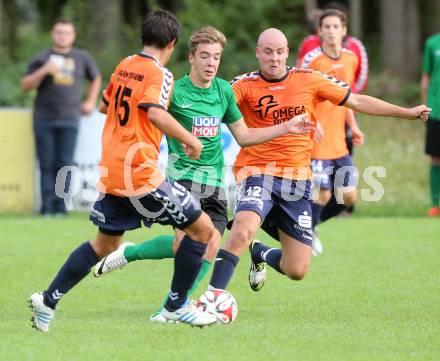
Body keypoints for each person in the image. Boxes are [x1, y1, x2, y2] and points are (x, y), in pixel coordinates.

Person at [92, 26, 313, 323]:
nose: (211, 63)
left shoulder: (223, 91)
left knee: (202, 246)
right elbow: (149, 114)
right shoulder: (175, 90)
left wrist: (287, 127)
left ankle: (135, 259)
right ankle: (171, 310)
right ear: (192, 58)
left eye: (217, 57)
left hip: (214, 184)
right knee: (193, 242)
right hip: (181, 179)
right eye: (205, 56)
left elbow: (244, 136)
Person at [28, 9, 223, 332]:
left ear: (144, 37)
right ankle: (177, 306)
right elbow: (155, 112)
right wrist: (190, 139)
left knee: (105, 245)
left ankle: (48, 300)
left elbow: (106, 106)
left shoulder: (124, 65)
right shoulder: (160, 74)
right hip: (141, 174)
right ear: (172, 43)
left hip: (113, 171)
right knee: (203, 230)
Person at [207, 28, 430, 294]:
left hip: (297, 181)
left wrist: (406, 113)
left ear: (287, 53)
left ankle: (262, 253)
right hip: (258, 172)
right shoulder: (242, 85)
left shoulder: (309, 79)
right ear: (258, 53)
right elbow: (209, 110)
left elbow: (356, 100)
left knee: (297, 269)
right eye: (267, 52)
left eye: (279, 52)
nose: (274, 58)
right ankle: (213, 299)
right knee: (242, 232)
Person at [21, 19, 101, 216]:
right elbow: (25, 85)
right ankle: (46, 208)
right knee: (46, 163)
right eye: (59, 32)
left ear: (73, 36)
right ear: (52, 34)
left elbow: (96, 77)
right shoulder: (42, 58)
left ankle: (61, 208)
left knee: (64, 164)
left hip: (70, 118)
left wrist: (90, 101)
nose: (62, 36)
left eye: (66, 33)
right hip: (44, 118)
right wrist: (44, 70)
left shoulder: (81, 57)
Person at [300, 9, 364, 255]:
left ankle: (309, 226)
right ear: (320, 31)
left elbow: (346, 98)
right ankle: (307, 233)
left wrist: (354, 126)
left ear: (344, 31)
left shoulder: (351, 59)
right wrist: (313, 123)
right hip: (317, 142)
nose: (331, 31)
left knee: (349, 197)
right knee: (323, 194)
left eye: (336, 26)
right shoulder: (312, 61)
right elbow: (300, 98)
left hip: (339, 142)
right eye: (326, 27)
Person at [421, 32, 440, 217]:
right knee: (436, 158)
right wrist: (424, 107)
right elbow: (426, 77)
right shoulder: (432, 43)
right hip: (436, 109)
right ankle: (435, 204)